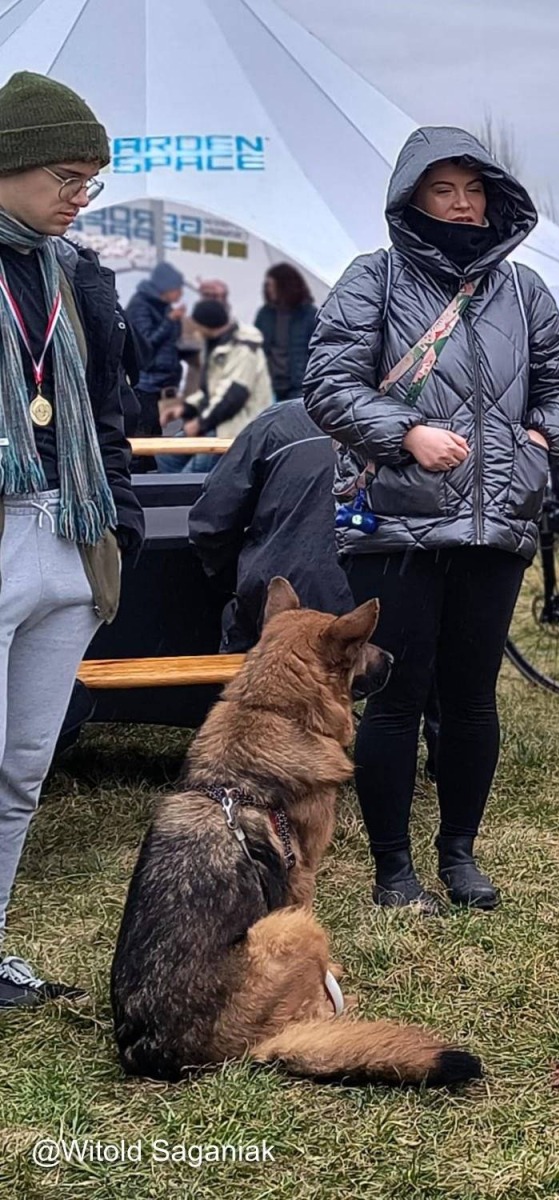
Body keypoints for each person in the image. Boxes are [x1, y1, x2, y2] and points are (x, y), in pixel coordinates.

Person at [305, 126, 559, 914]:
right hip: (394, 525)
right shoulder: (375, 280)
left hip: (496, 527)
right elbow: (327, 386)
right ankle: (393, 869)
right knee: (397, 696)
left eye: (473, 190)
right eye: (443, 190)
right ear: (412, 198)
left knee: (472, 697)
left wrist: (544, 439)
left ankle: (459, 853)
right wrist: (406, 432)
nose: (462, 205)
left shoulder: (525, 292)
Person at [0, 71, 142, 1008]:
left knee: (22, 769)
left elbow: (112, 409)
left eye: (89, 180)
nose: (76, 196)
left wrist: (120, 518)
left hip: (72, 532)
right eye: (62, 173)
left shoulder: (77, 275)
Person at [187, 398, 351, 653]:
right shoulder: (422, 430)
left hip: (275, 614)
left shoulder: (279, 422)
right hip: (383, 616)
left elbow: (211, 524)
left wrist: (244, 581)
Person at [158, 298, 272, 473]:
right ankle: (170, 497)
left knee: (191, 474)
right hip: (217, 422)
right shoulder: (215, 344)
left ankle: (191, 497)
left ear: (206, 326)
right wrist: (185, 409)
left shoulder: (244, 348)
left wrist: (199, 424)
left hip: (237, 427)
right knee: (166, 454)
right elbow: (212, 391)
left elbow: (233, 396)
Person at [124, 261, 184, 437]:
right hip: (146, 384)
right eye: (177, 288)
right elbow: (146, 341)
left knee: (162, 436)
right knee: (145, 435)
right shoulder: (140, 305)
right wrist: (170, 321)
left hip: (164, 384)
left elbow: (172, 341)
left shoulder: (164, 306)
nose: (180, 293)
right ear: (165, 287)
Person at [254, 262, 318, 402]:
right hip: (269, 384)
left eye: (271, 285)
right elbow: (257, 348)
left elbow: (318, 352)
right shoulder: (265, 314)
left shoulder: (309, 315)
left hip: (298, 387)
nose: (268, 289)